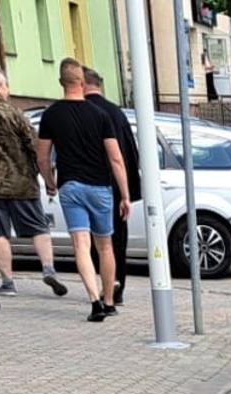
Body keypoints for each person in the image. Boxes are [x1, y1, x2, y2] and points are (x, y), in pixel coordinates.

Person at [0, 66, 67, 298]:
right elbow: (35, 145)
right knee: (38, 227)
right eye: (6, 85)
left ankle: (8, 283)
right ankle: (48, 268)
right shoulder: (14, 112)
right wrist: (48, 179)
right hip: (22, 179)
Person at [39, 59, 131, 322]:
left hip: (70, 186)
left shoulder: (51, 115)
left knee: (81, 244)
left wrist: (50, 181)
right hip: (101, 187)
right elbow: (116, 159)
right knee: (105, 246)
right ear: (82, 82)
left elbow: (42, 157)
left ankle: (94, 301)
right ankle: (109, 300)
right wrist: (125, 195)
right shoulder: (101, 115)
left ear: (61, 82)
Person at [82, 67, 138, 307]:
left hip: (90, 182)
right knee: (117, 239)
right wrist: (129, 192)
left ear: (82, 84)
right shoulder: (116, 112)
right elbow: (129, 153)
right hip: (116, 184)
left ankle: (102, 286)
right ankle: (117, 286)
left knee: (92, 240)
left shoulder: (81, 112)